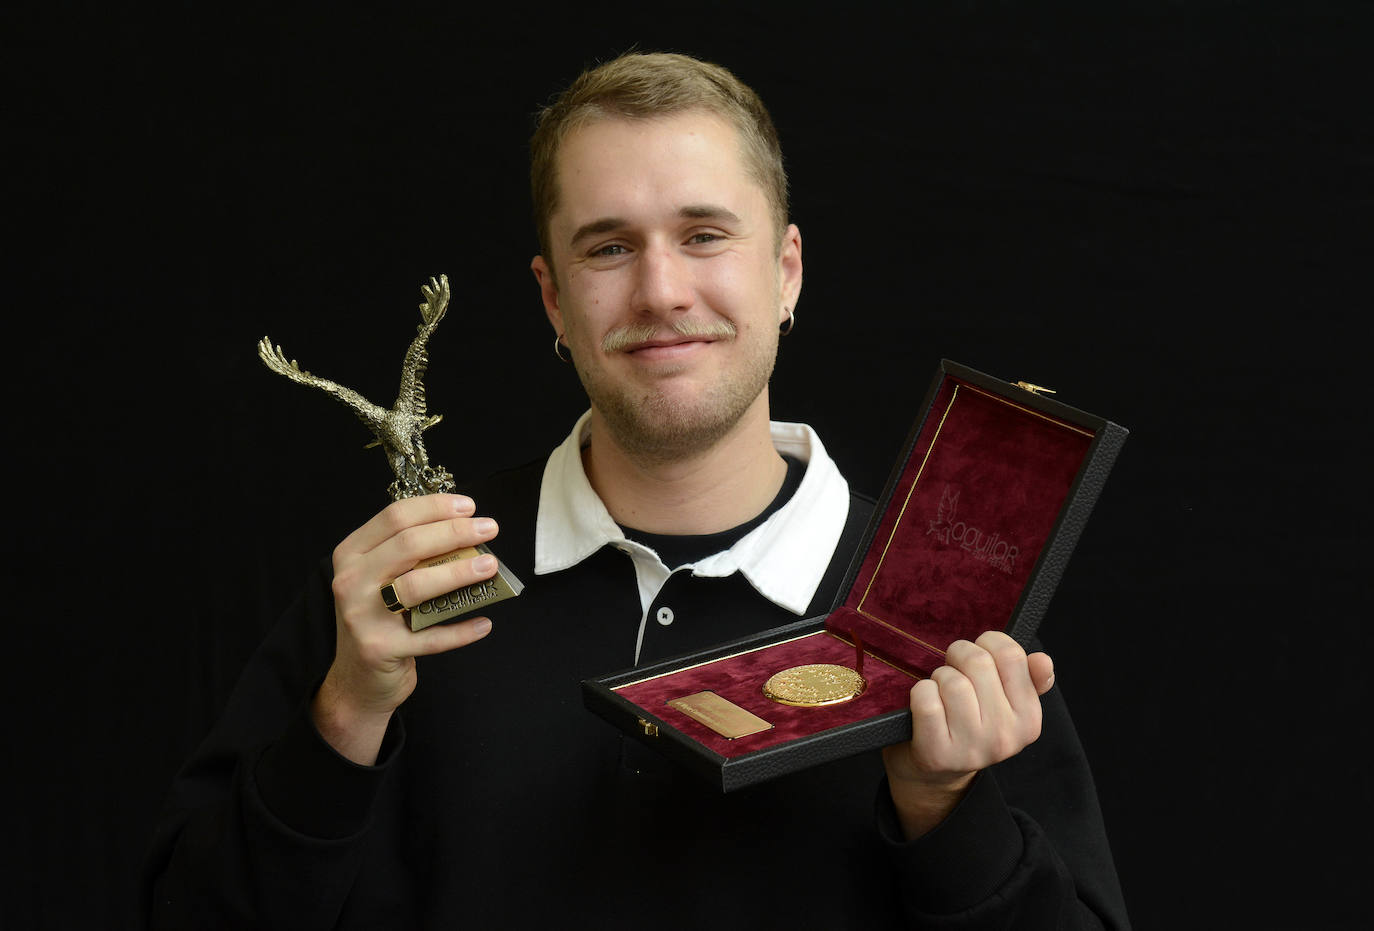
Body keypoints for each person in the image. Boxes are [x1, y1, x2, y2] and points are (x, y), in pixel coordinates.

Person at [145, 52, 1129, 928]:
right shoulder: (399, 591)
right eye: (609, 247)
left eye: (705, 235)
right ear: (553, 301)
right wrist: (345, 717)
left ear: (786, 273)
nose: (660, 291)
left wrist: (946, 808)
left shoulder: (946, 629)